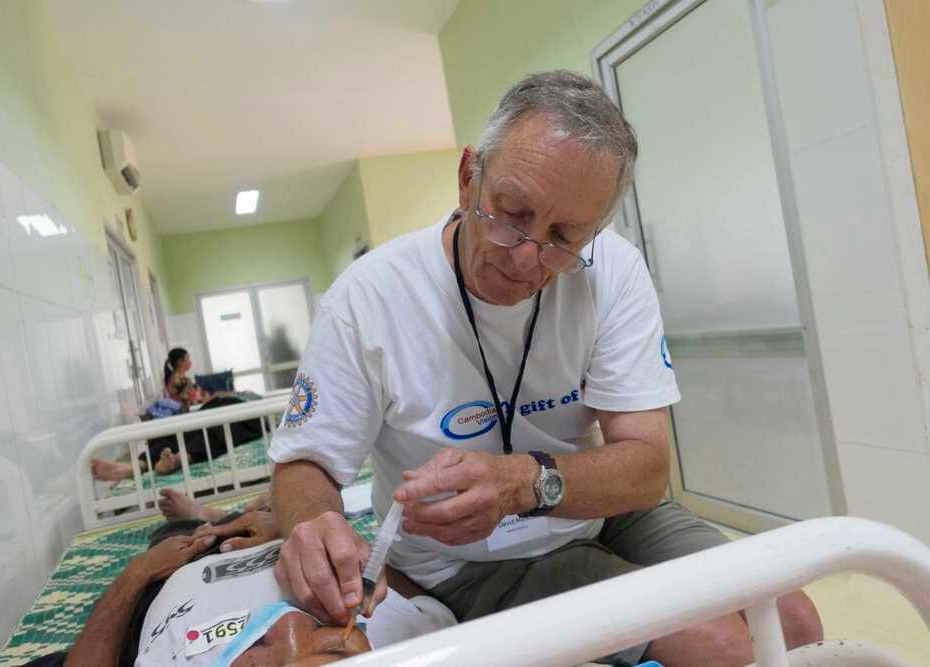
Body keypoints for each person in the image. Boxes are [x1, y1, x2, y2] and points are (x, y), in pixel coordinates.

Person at [266, 70, 823, 666]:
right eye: (511, 214)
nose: (526, 257)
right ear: (468, 178)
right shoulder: (368, 298)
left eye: (564, 237)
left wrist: (521, 484)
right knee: (725, 649)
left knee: (792, 619)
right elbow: (306, 463)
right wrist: (315, 524)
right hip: (467, 560)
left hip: (598, 512)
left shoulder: (612, 270)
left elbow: (646, 468)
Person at [19, 506, 455, 667]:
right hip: (276, 542)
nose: (287, 628)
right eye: (334, 650)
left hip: (174, 579)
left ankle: (202, 518)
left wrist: (137, 573)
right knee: (259, 516)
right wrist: (299, 534)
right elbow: (392, 578)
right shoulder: (426, 642)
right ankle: (233, 515)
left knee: (177, 534)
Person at [91, 383, 263, 482]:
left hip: (250, 414)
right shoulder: (245, 397)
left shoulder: (260, 406)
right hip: (225, 407)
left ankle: (157, 462)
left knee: (215, 431)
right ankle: (138, 465)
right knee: (182, 429)